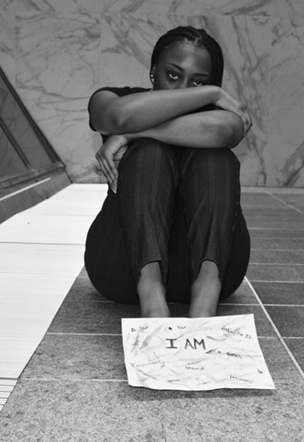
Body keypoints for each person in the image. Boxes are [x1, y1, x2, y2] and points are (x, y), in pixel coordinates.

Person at [85, 26, 252, 318]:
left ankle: (205, 295)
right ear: (153, 71)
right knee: (149, 152)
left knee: (214, 155)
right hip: (122, 268)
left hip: (213, 271)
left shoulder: (215, 115)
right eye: (173, 75)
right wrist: (211, 92)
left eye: (198, 83)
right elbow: (118, 117)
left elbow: (228, 130)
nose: (183, 90)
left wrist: (130, 135)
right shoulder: (120, 98)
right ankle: (151, 296)